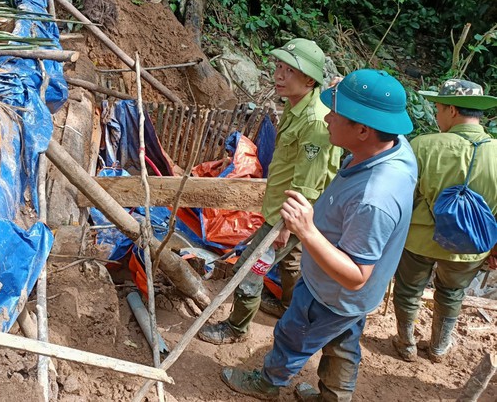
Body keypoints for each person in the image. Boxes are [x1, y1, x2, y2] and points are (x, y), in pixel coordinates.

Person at [220, 69, 417, 401]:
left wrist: (307, 231)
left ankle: (268, 383)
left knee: (294, 335)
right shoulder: (393, 147)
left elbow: (355, 275)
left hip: (332, 293)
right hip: (355, 300)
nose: (326, 117)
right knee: (343, 345)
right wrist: (350, 92)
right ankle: (334, 397)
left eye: (335, 114)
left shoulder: (374, 197)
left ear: (363, 130)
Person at [198, 38, 342, 344]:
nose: (278, 75)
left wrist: (284, 227)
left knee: (250, 268)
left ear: (309, 79)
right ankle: (287, 304)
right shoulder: (296, 106)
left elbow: (307, 184)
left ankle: (236, 329)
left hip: (289, 215)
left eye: (288, 71)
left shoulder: (315, 121)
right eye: (278, 67)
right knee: (291, 262)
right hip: (290, 211)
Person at [392, 79, 497, 363]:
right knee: (452, 292)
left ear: (451, 110)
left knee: (409, 289)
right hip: (472, 245)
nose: (436, 115)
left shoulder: (424, 145)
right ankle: (439, 347)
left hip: (420, 240)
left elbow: (405, 196)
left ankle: (406, 343)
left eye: (438, 108)